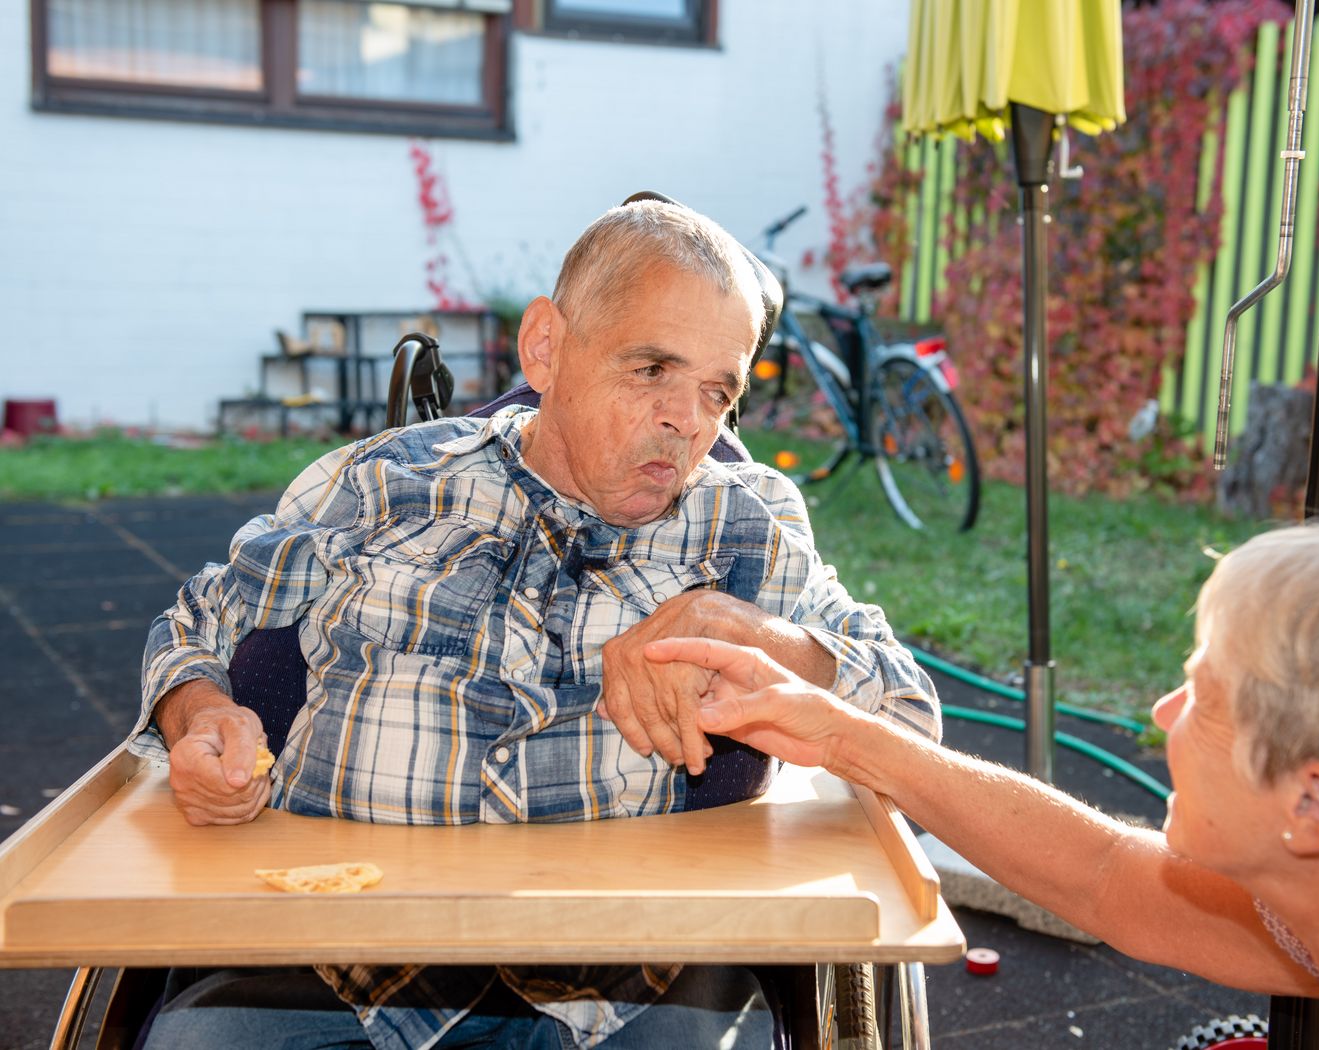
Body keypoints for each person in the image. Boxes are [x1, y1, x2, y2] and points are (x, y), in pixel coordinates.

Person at [127, 198, 940, 1050]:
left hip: (625, 990)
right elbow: (200, 617)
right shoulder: (382, 483)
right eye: (652, 369)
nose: (688, 420)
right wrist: (199, 714)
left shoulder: (747, 526)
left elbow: (909, 716)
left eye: (717, 390)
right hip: (332, 966)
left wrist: (749, 634)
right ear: (545, 346)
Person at [646, 517, 1319, 1049]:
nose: (1163, 713)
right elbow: (1109, 875)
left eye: (1205, 698)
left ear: (1311, 803)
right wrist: (842, 735)